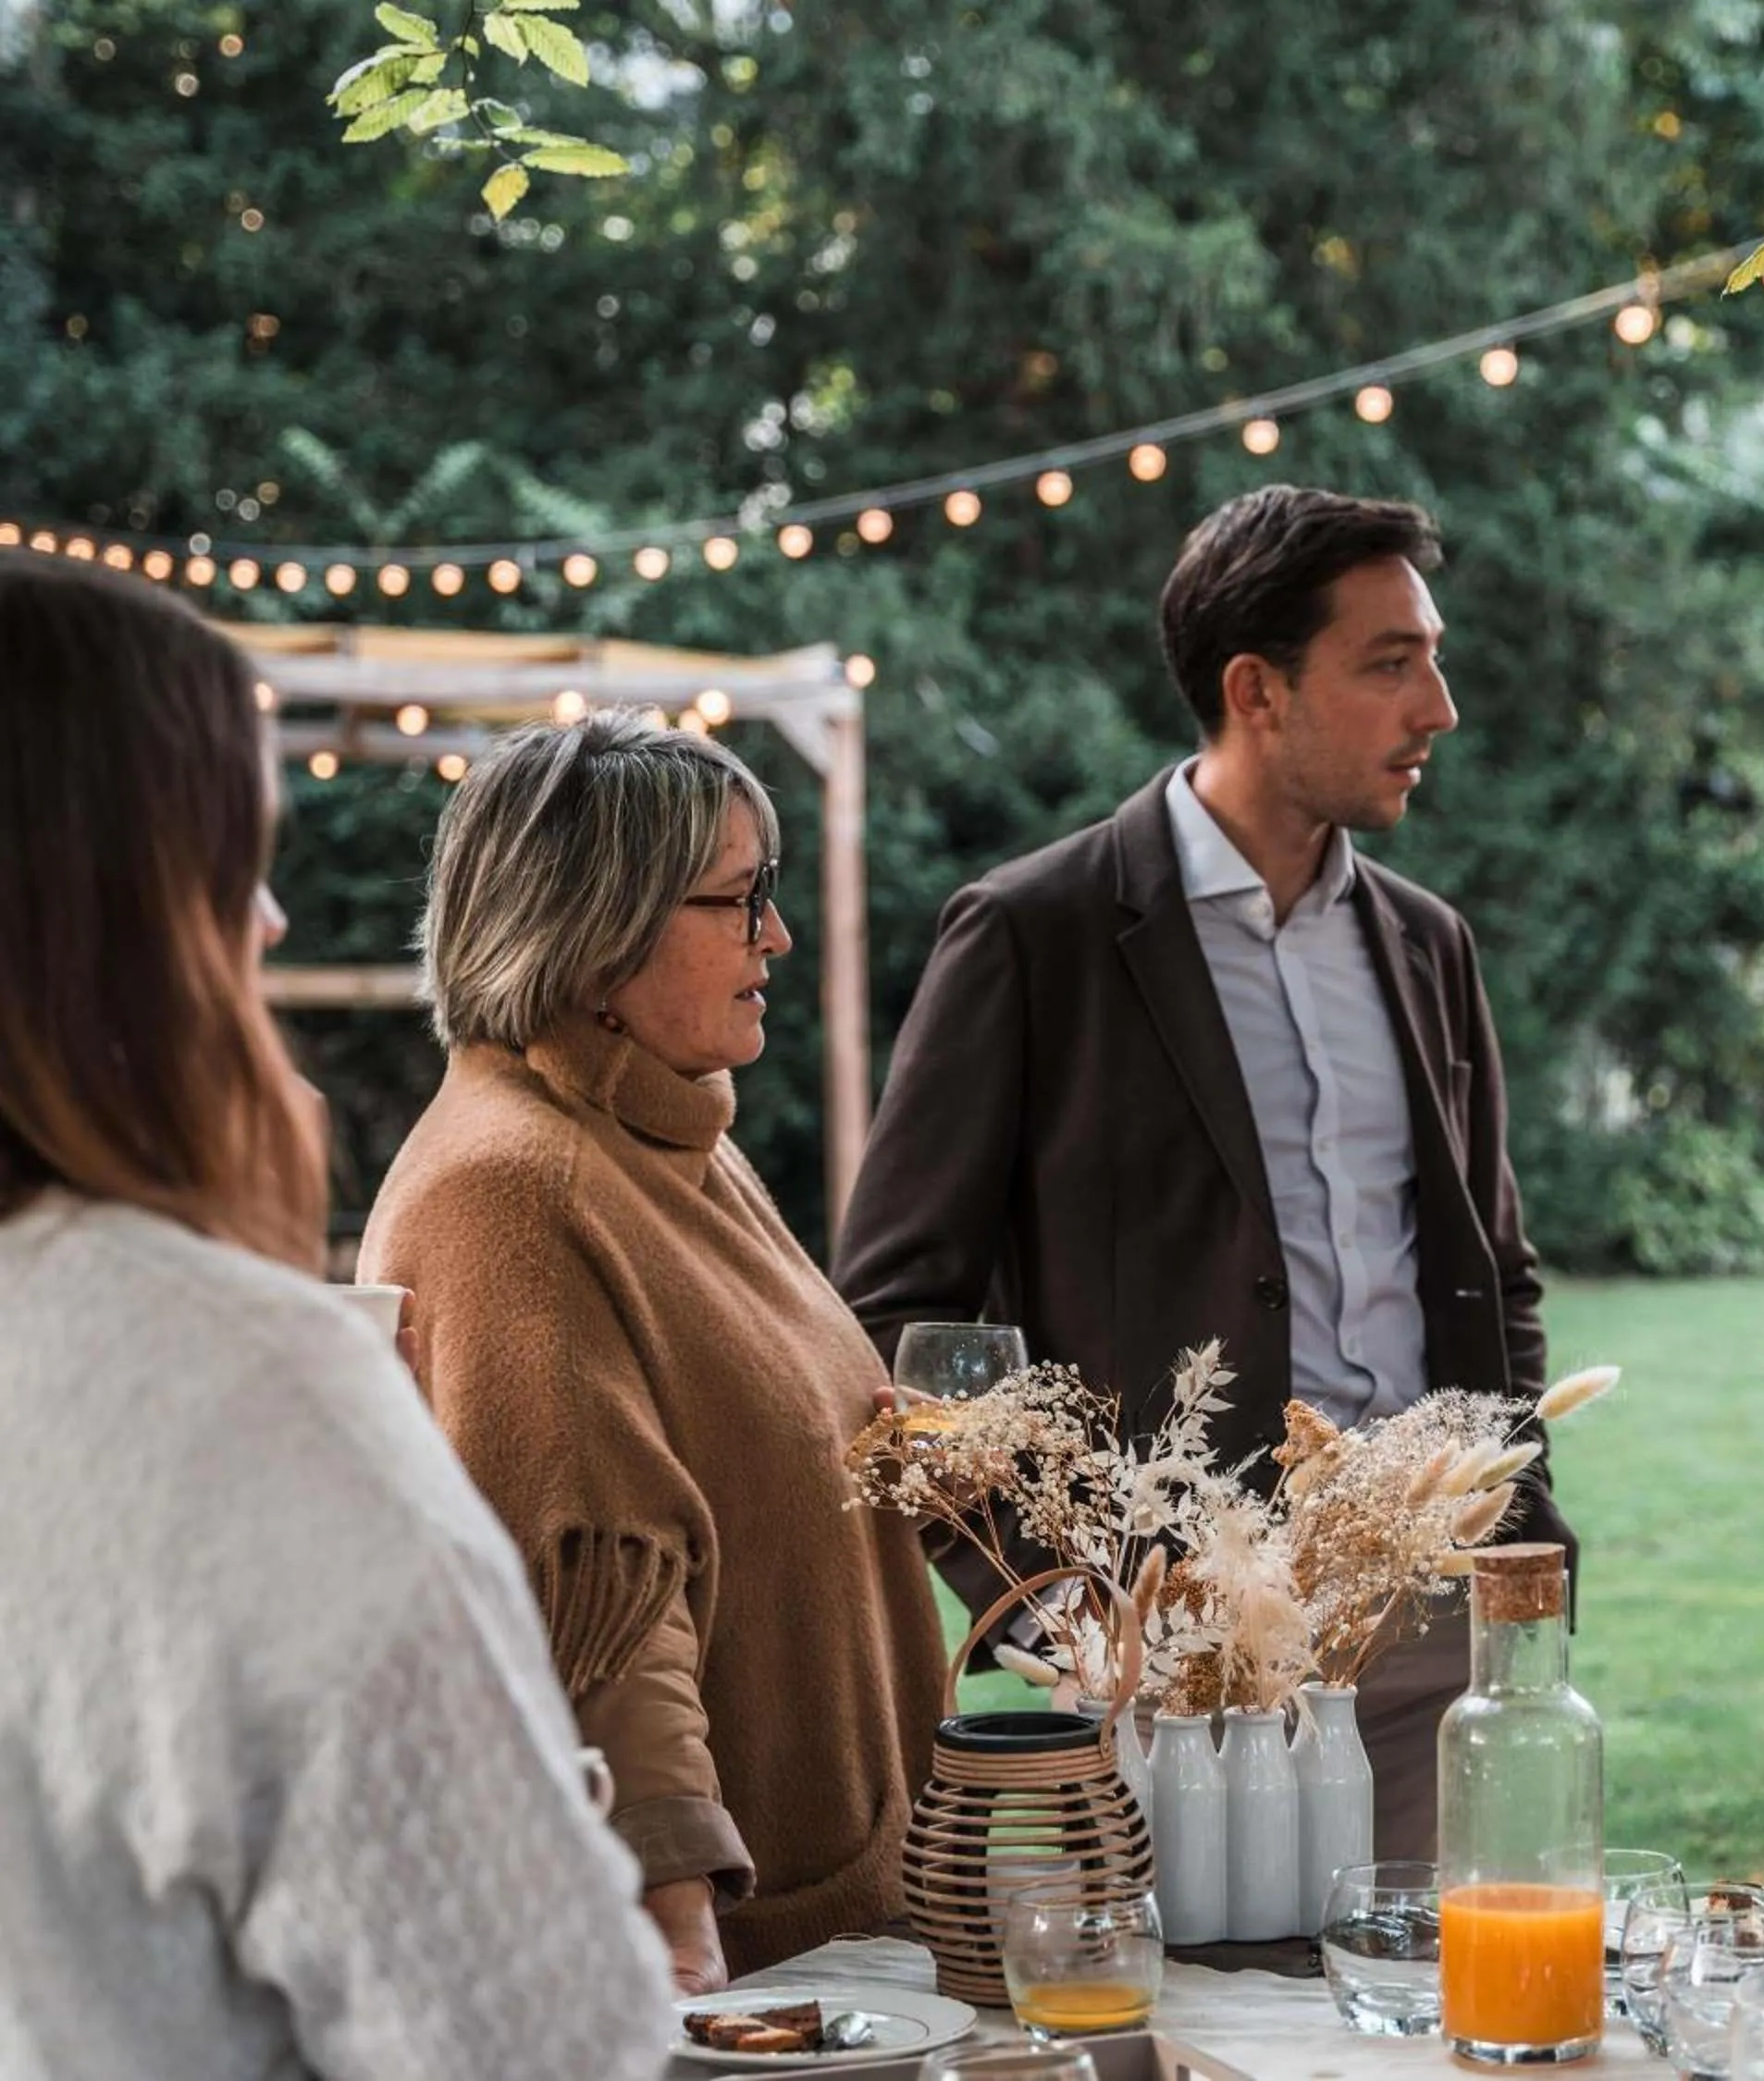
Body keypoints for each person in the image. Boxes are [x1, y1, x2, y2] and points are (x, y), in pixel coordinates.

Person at [0, 553, 672, 2076]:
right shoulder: (232, 1382)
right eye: (233, 860)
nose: (275, 919)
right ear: (111, 914)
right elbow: (545, 2038)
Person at [833, 485, 1575, 1860]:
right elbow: (896, 1310)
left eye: (1433, 654)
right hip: (1173, 1654)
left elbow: (1492, 1269)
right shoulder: (1032, 935)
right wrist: (1054, 1606)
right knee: (1185, 2038)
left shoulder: (1429, 945)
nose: (1441, 707)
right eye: (1390, 661)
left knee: (1439, 2026)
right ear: (1258, 690)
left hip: (1429, 1627)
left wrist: (1505, 1501)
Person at [361, 712, 944, 1987]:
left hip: (845, 1937)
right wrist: (680, 1942)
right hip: (755, 1974)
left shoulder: (675, 1143)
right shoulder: (513, 1189)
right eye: (738, 900)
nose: (774, 937)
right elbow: (603, 1605)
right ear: (593, 938)